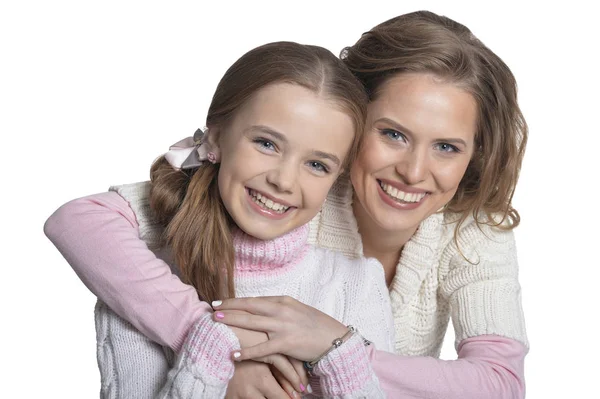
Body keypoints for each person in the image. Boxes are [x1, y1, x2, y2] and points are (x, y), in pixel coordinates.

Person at [46, 10, 529, 399]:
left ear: (474, 154)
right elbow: (84, 220)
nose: (414, 171)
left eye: (447, 147)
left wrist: (333, 346)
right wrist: (217, 348)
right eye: (393, 134)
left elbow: (500, 385)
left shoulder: (472, 231)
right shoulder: (293, 194)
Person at [45, 40, 396, 398]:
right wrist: (214, 351)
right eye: (266, 143)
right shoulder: (137, 281)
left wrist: (341, 356)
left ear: (334, 181)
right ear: (214, 137)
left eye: (317, 165)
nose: (284, 180)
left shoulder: (358, 285)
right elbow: (75, 219)